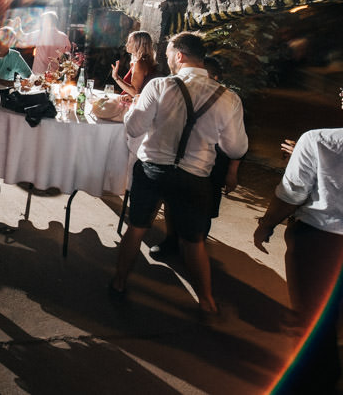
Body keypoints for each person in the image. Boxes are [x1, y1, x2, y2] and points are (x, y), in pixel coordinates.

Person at [109, 32, 248, 320]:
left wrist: (132, 110)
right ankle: (207, 301)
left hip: (152, 171)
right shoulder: (228, 98)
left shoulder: (159, 86)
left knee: (136, 228)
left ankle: (119, 282)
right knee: (194, 241)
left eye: (170, 53)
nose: (167, 59)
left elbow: (134, 129)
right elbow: (235, 148)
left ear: (180, 56)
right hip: (195, 177)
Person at [254, 122, 343, 393]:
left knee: (314, 320)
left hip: (321, 242)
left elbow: (291, 193)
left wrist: (267, 223)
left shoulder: (320, 140)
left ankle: (319, 382)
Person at [151, 55, 241, 257]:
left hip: (215, 167)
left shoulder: (227, 100)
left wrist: (232, 173)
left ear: (216, 78)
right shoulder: (183, 94)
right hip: (185, 162)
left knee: (204, 210)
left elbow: (238, 145)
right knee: (173, 203)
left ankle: (194, 247)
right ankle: (171, 241)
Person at [18, 11, 70, 76]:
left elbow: (22, 38)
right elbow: (68, 57)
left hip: (39, 74)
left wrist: (18, 24)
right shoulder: (64, 37)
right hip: (56, 75)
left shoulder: (39, 34)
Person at [111, 30, 162, 97]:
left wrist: (116, 77)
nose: (126, 44)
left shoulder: (140, 63)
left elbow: (135, 92)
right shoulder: (143, 62)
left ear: (139, 44)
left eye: (130, 42)